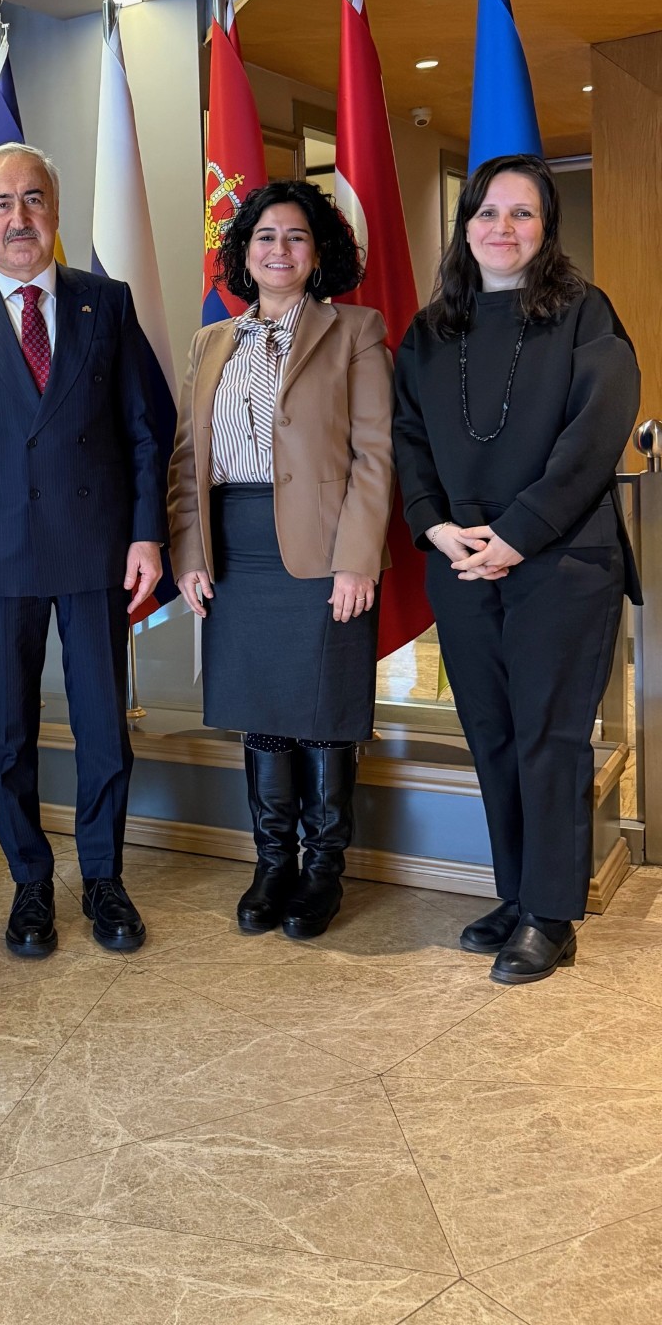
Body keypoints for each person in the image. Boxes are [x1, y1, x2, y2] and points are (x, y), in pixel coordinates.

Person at [394, 154, 640, 985]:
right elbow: (407, 439)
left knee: (548, 737)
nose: (503, 228)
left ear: (546, 228)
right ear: (466, 226)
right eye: (488, 212)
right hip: (462, 564)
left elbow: (598, 428)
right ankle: (517, 892)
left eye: (522, 213)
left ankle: (551, 914)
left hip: (562, 561)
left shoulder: (585, 314)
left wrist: (520, 532)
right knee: (492, 735)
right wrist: (435, 527)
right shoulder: (429, 332)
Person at [0, 144, 167, 955]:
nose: (18, 217)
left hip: (95, 545)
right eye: (2, 203)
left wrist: (147, 533)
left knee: (102, 727)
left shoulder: (106, 301)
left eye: (32, 199)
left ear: (54, 210)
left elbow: (143, 431)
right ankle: (30, 882)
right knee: (7, 735)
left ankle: (103, 878)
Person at [169, 179, 393, 940]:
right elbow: (188, 459)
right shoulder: (210, 342)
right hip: (236, 549)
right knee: (261, 713)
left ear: (317, 252)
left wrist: (357, 559)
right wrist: (190, 551)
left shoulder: (355, 329)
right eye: (265, 236)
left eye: (296, 236)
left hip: (326, 551)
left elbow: (375, 455)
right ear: (244, 251)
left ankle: (322, 869)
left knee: (325, 715)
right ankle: (272, 865)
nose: (279, 249)